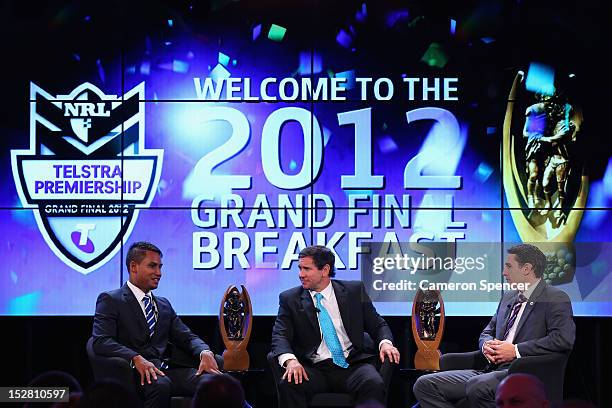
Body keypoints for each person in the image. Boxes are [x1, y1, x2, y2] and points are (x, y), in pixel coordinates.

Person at [413, 243, 575, 408]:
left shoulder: (554, 298)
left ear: (526, 269)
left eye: (509, 267)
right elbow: (487, 331)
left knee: (478, 386)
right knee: (425, 385)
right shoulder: (509, 297)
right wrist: (486, 346)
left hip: (524, 372)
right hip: (489, 369)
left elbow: (563, 339)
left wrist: (515, 350)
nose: (504, 272)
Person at [92, 241, 221, 408]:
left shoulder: (163, 304)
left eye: (160, 267)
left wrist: (204, 351)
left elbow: (186, 336)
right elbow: (101, 341)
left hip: (166, 369)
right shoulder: (111, 300)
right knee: (161, 386)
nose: (159, 273)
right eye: (152, 266)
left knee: (212, 382)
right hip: (134, 373)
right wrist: (135, 358)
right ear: (133, 267)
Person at [270, 245, 400, 407]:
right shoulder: (290, 299)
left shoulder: (353, 291)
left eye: (306, 269)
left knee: (373, 382)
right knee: (290, 383)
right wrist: (291, 361)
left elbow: (378, 324)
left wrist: (385, 343)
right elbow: (280, 335)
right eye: (300, 268)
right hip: (313, 368)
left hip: (351, 365)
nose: (301, 274)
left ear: (324, 270)